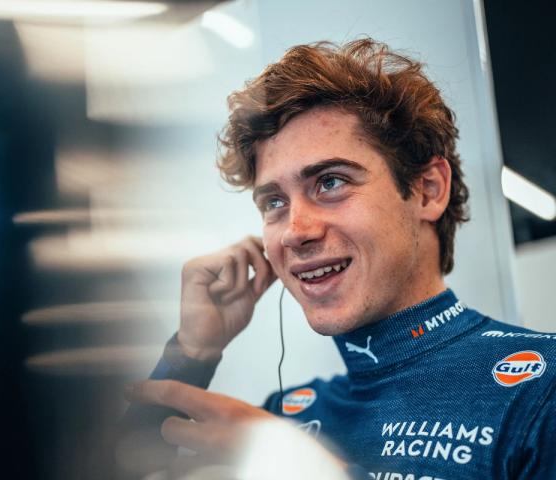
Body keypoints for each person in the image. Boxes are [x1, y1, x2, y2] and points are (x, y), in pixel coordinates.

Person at [123, 38, 556, 479]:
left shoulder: (543, 390)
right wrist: (192, 352)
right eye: (274, 201)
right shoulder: (288, 415)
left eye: (330, 182)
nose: (296, 231)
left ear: (428, 190)